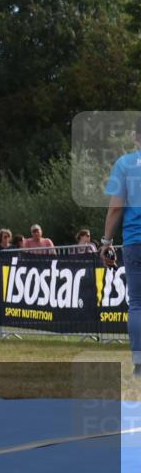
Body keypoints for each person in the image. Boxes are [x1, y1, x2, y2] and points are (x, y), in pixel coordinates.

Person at [102, 117, 141, 377]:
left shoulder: (124, 164)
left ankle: (139, 363)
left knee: (137, 304)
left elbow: (116, 207)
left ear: (136, 138)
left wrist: (106, 242)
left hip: (135, 240)